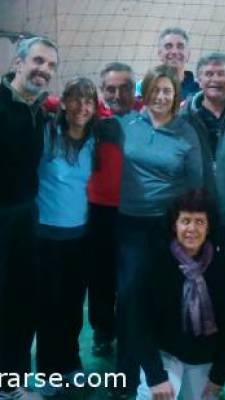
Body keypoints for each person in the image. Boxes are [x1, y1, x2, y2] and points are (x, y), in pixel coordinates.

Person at [115, 64, 203, 396]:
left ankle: (161, 367)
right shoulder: (126, 125)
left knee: (161, 298)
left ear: (176, 96)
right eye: (156, 90)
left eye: (168, 91)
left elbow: (196, 185)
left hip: (167, 228)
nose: (161, 96)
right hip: (130, 225)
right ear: (145, 93)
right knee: (129, 297)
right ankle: (124, 374)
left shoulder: (186, 133)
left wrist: (193, 230)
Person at [182, 52, 225, 361]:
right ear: (198, 79)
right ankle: (204, 340)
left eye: (220, 73)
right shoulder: (184, 116)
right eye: (208, 74)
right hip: (200, 216)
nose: (214, 79)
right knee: (201, 281)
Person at [134, 189, 225, 400]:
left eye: (199, 222)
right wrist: (155, 376)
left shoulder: (223, 266)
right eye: (185, 221)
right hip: (165, 352)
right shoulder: (155, 261)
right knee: (154, 396)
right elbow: (138, 323)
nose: (191, 229)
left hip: (203, 356)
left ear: (209, 228)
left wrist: (219, 375)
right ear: (175, 225)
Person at [0, 36, 58, 399]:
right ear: (18, 63)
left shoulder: (40, 111)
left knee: (20, 303)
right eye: (38, 61)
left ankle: (11, 384)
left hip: (24, 217)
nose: (44, 70)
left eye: (51, 66)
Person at [35, 77, 98, 397]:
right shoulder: (47, 133)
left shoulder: (95, 140)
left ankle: (71, 365)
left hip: (79, 239)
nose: (81, 106)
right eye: (75, 99)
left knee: (73, 307)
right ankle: (48, 372)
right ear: (63, 102)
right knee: (48, 307)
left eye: (88, 100)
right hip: (45, 239)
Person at [86, 62, 137, 357]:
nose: (117, 94)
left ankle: (133, 329)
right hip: (98, 212)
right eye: (110, 89)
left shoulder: (147, 114)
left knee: (133, 276)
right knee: (101, 277)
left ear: (135, 89)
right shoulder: (92, 118)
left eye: (125, 88)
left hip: (135, 212)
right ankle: (103, 330)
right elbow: (56, 102)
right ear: (102, 91)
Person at [136, 27, 200, 100]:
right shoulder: (142, 87)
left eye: (180, 46)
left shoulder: (199, 89)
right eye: (168, 46)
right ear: (160, 54)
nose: (174, 51)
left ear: (188, 54)